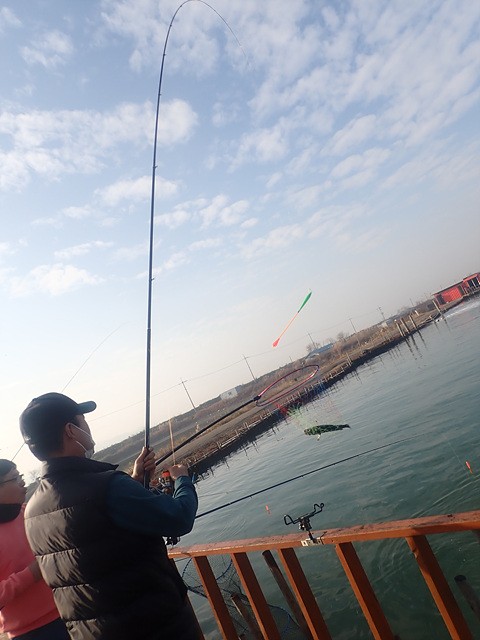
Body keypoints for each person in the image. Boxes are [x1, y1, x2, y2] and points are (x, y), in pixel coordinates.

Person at [19, 392, 199, 640]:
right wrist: (182, 480)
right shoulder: (108, 486)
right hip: (153, 627)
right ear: (71, 430)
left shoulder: (32, 510)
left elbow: (95, 540)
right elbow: (179, 518)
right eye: (83, 420)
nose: (87, 427)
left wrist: (135, 480)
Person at [0, 459, 69, 640]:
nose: (22, 482)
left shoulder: (30, 512)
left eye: (20, 476)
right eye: (15, 478)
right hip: (31, 632)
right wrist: (32, 573)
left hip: (69, 608)